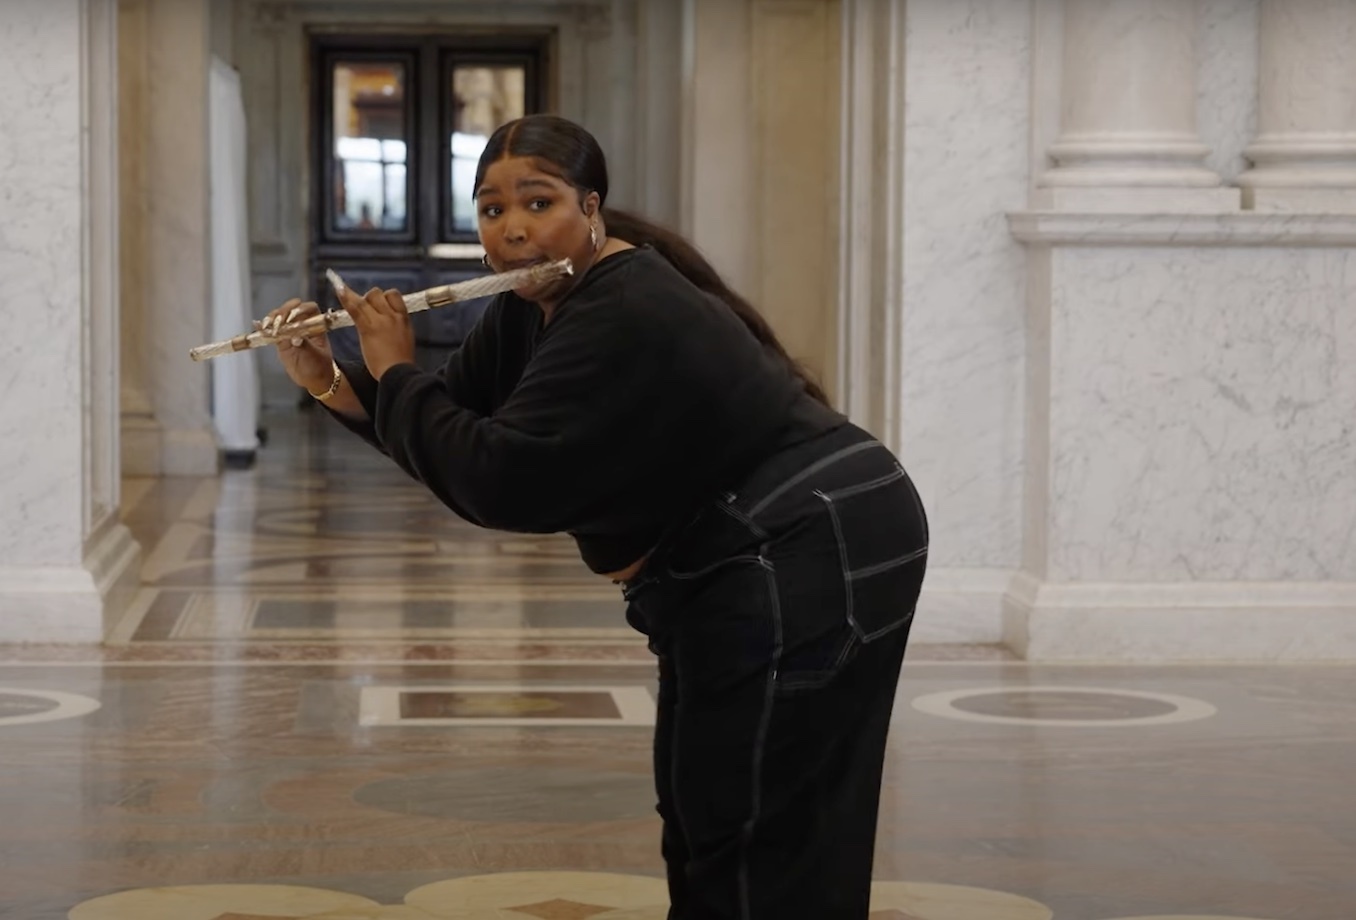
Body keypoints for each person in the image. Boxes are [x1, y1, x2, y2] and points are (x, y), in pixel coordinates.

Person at [262, 114, 928, 919]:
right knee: (709, 808)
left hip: (808, 546)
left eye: (538, 203)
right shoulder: (533, 303)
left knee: (758, 825)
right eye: (492, 210)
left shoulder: (621, 308)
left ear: (591, 207)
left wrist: (397, 365)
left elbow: (496, 479)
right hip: (753, 554)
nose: (512, 230)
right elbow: (444, 427)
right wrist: (329, 377)